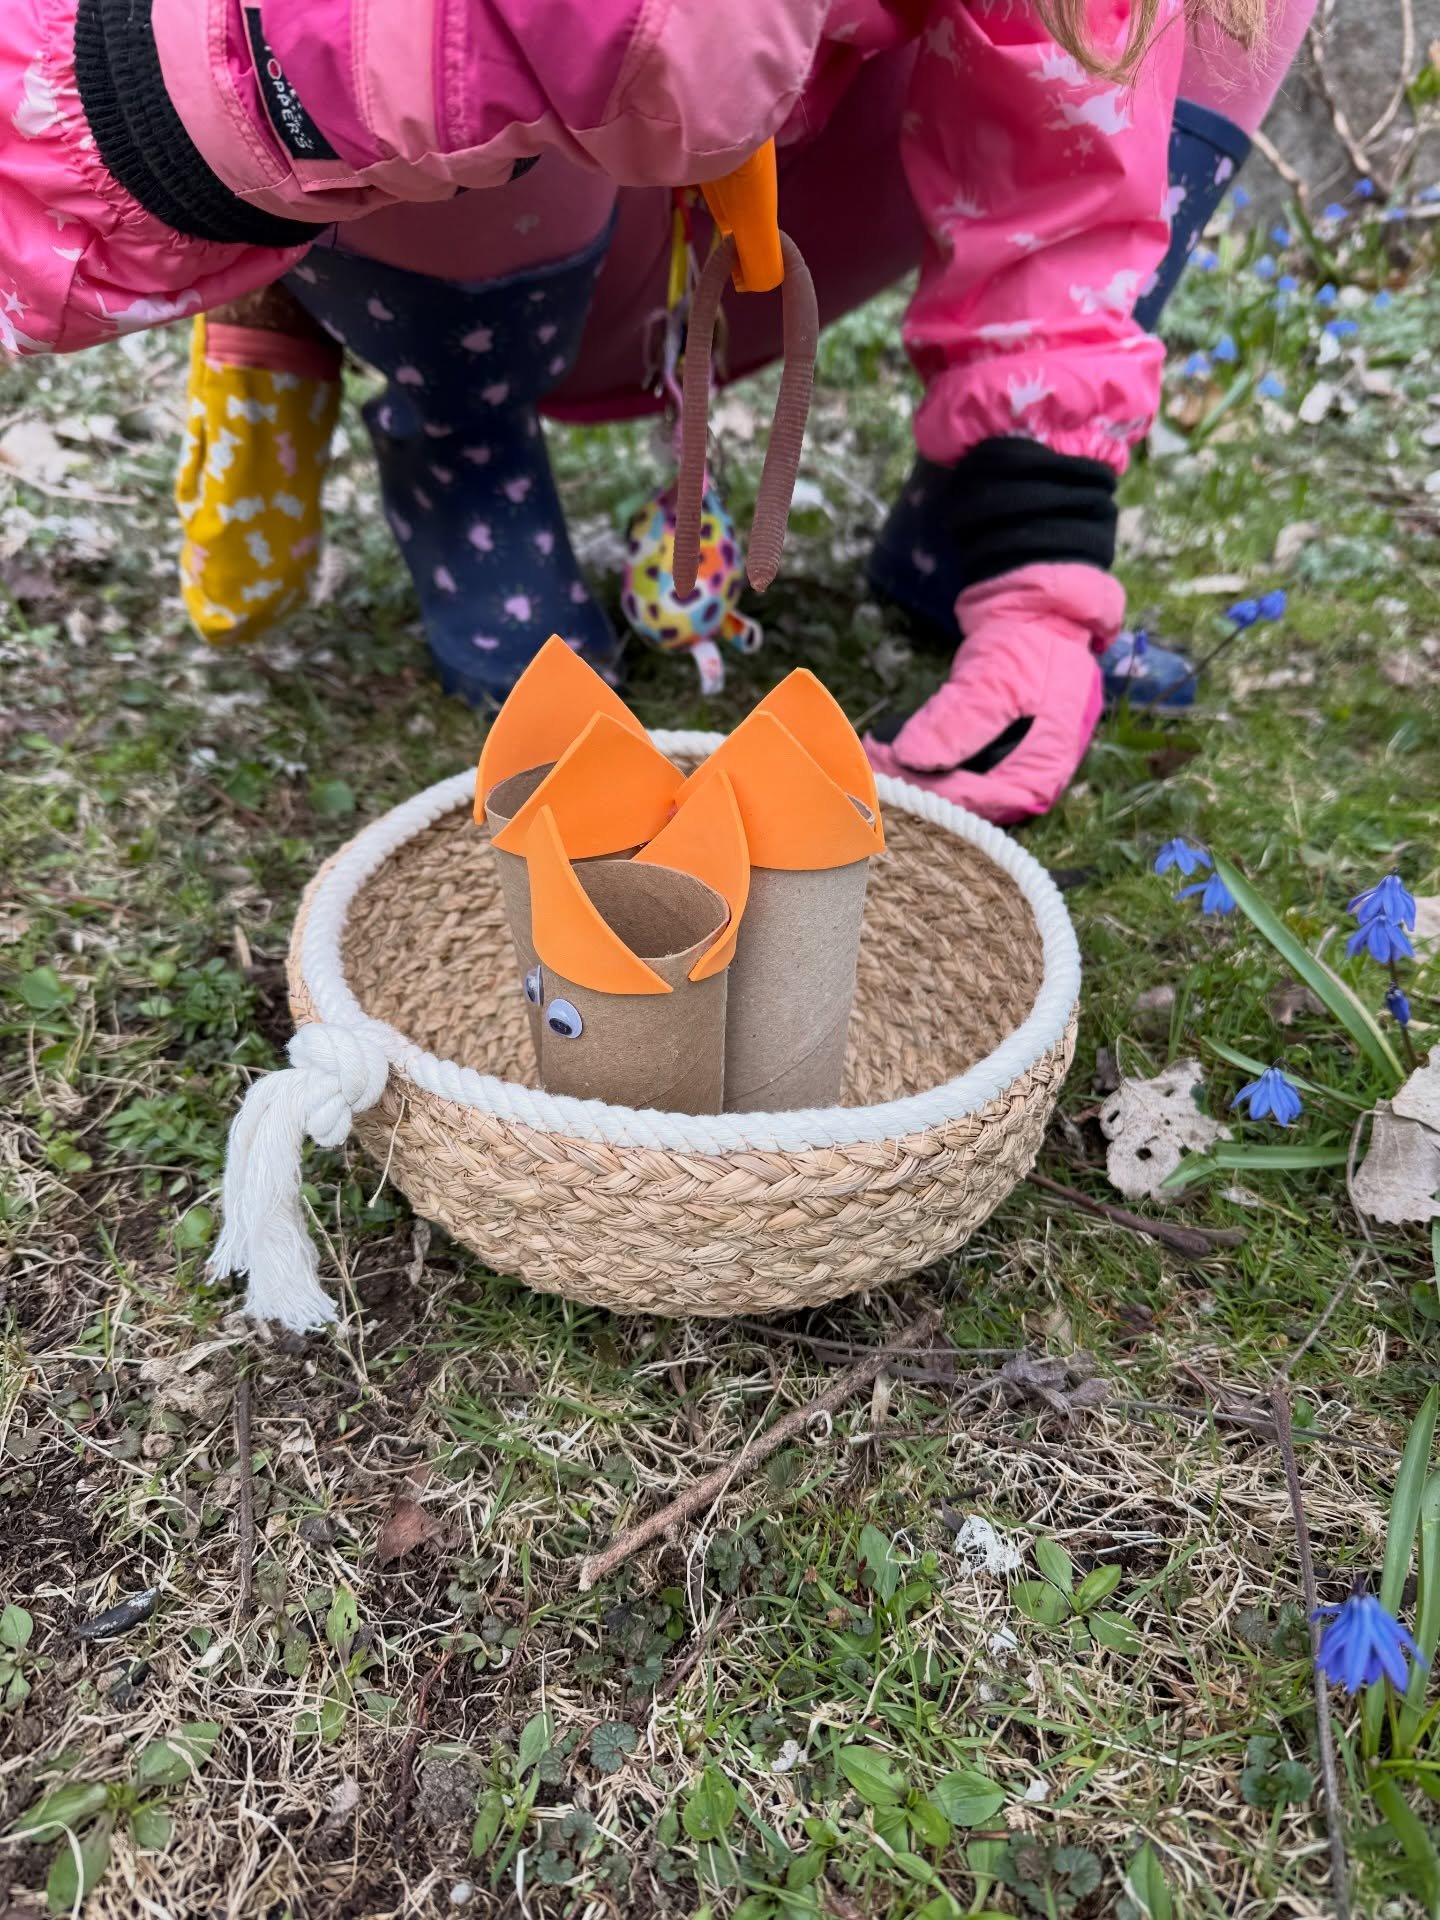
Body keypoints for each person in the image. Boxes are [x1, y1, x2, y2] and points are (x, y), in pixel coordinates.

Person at [0, 0, 1308, 823]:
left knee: (1202, 14)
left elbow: (1069, 149)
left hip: (749, 218)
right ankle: (446, 433)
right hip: (439, 177)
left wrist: (1042, 559)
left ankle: (978, 512)